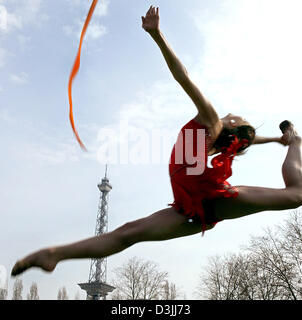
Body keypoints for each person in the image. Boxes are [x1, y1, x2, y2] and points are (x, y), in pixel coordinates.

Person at [11, 6, 302, 277]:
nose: (230, 111)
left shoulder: (210, 119)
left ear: (231, 124)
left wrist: (157, 35)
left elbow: (183, 77)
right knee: (128, 233)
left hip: (213, 198)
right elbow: (245, 141)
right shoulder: (213, 139)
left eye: (235, 114)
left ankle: (297, 143)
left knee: (297, 195)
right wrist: (275, 139)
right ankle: (53, 255)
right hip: (190, 207)